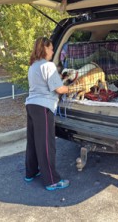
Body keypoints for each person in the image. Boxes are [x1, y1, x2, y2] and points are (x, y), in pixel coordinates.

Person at [25, 37, 81, 191]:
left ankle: (30, 172)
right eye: (50, 48)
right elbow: (60, 89)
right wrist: (75, 87)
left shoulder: (33, 66)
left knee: (33, 142)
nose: (52, 51)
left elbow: (44, 84)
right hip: (43, 107)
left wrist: (60, 81)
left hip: (31, 105)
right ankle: (51, 181)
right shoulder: (48, 66)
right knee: (46, 145)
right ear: (44, 49)